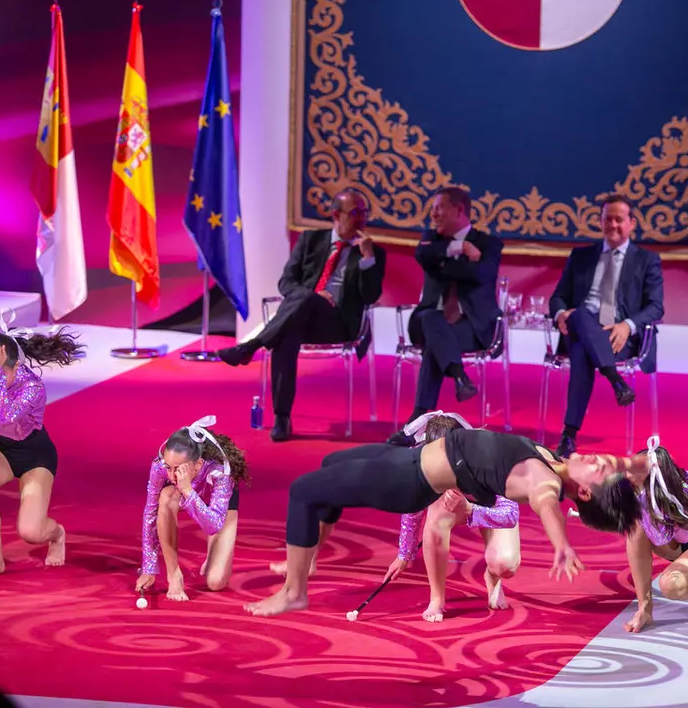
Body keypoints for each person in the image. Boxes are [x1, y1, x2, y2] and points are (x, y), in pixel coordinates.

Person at [243, 428, 645, 617]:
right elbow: (620, 463)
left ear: (586, 493)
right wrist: (640, 464)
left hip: (407, 480)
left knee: (303, 490)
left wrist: (561, 544)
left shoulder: (544, 482)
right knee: (330, 466)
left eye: (597, 471)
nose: (596, 459)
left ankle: (294, 591)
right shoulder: (553, 459)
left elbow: (545, 507)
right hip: (409, 458)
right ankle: (308, 555)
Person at [214, 189, 386, 441]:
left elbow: (370, 296)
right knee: (288, 332)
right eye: (355, 213)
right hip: (302, 319)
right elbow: (286, 282)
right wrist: (312, 297)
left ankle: (252, 346)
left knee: (297, 311)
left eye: (364, 213)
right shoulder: (310, 241)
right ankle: (282, 418)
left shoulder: (372, 253)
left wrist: (368, 258)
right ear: (336, 215)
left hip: (337, 323)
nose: (362, 219)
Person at [0, 312, 84, 580]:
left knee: (30, 532)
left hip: (34, 454)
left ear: (13, 368)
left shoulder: (32, 386)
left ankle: (57, 534)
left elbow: (7, 413)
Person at [547, 194, 664, 456]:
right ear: (600, 222)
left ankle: (569, 434)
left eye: (619, 219)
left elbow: (656, 306)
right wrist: (561, 313)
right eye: (607, 219)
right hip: (581, 325)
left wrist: (627, 325)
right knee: (578, 316)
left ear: (631, 223)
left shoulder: (647, 260)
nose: (612, 225)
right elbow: (558, 297)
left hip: (619, 338)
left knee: (581, 348)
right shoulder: (581, 256)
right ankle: (616, 381)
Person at [383, 412, 521, 622]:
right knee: (436, 512)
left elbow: (510, 515)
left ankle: (492, 575)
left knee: (505, 565)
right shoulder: (420, 460)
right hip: (451, 509)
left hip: (487, 508)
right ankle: (437, 598)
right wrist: (405, 553)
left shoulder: (490, 458)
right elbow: (413, 507)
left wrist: (470, 510)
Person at [393, 186, 503, 437]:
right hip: (426, 321)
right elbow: (422, 254)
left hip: (472, 326)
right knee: (432, 319)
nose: (433, 214)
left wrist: (443, 265)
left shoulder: (489, 244)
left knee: (437, 343)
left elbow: (481, 274)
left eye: (438, 208)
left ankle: (417, 422)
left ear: (459, 210)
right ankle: (459, 375)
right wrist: (459, 250)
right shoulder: (430, 239)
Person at [135, 416, 250, 601]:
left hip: (218, 511)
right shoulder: (160, 467)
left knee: (216, 581)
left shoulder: (221, 471)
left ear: (197, 464)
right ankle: (175, 576)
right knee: (165, 497)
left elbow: (213, 525)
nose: (171, 475)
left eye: (178, 469)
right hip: (184, 495)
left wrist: (188, 490)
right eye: (168, 467)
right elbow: (150, 512)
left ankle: (215, 550)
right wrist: (149, 567)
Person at [622, 437, 688, 632]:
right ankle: (644, 609)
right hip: (673, 539)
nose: (627, 474)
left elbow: (677, 541)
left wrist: (642, 511)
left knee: (670, 586)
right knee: (635, 527)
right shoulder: (643, 495)